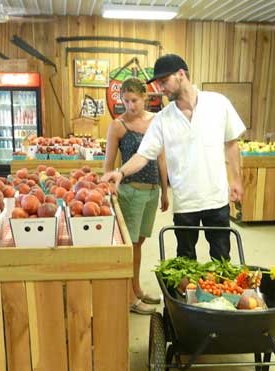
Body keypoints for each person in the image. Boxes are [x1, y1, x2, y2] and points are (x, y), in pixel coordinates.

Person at [102, 54, 245, 261]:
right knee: (185, 261)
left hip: (216, 199)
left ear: (180, 74)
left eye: (163, 82)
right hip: (185, 203)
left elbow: (231, 143)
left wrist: (237, 180)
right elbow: (143, 155)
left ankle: (219, 295)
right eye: (158, 84)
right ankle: (188, 295)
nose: (160, 88)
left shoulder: (218, 104)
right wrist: (120, 172)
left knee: (222, 258)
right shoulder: (163, 119)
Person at [104, 77, 169, 315]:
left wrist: (164, 189)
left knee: (139, 242)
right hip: (130, 192)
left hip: (152, 191)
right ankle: (130, 297)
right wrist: (109, 190)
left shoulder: (156, 122)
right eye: (126, 101)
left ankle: (137, 288)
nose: (131, 105)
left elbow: (160, 157)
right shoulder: (118, 125)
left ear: (145, 98)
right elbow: (108, 163)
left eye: (135, 100)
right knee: (129, 246)